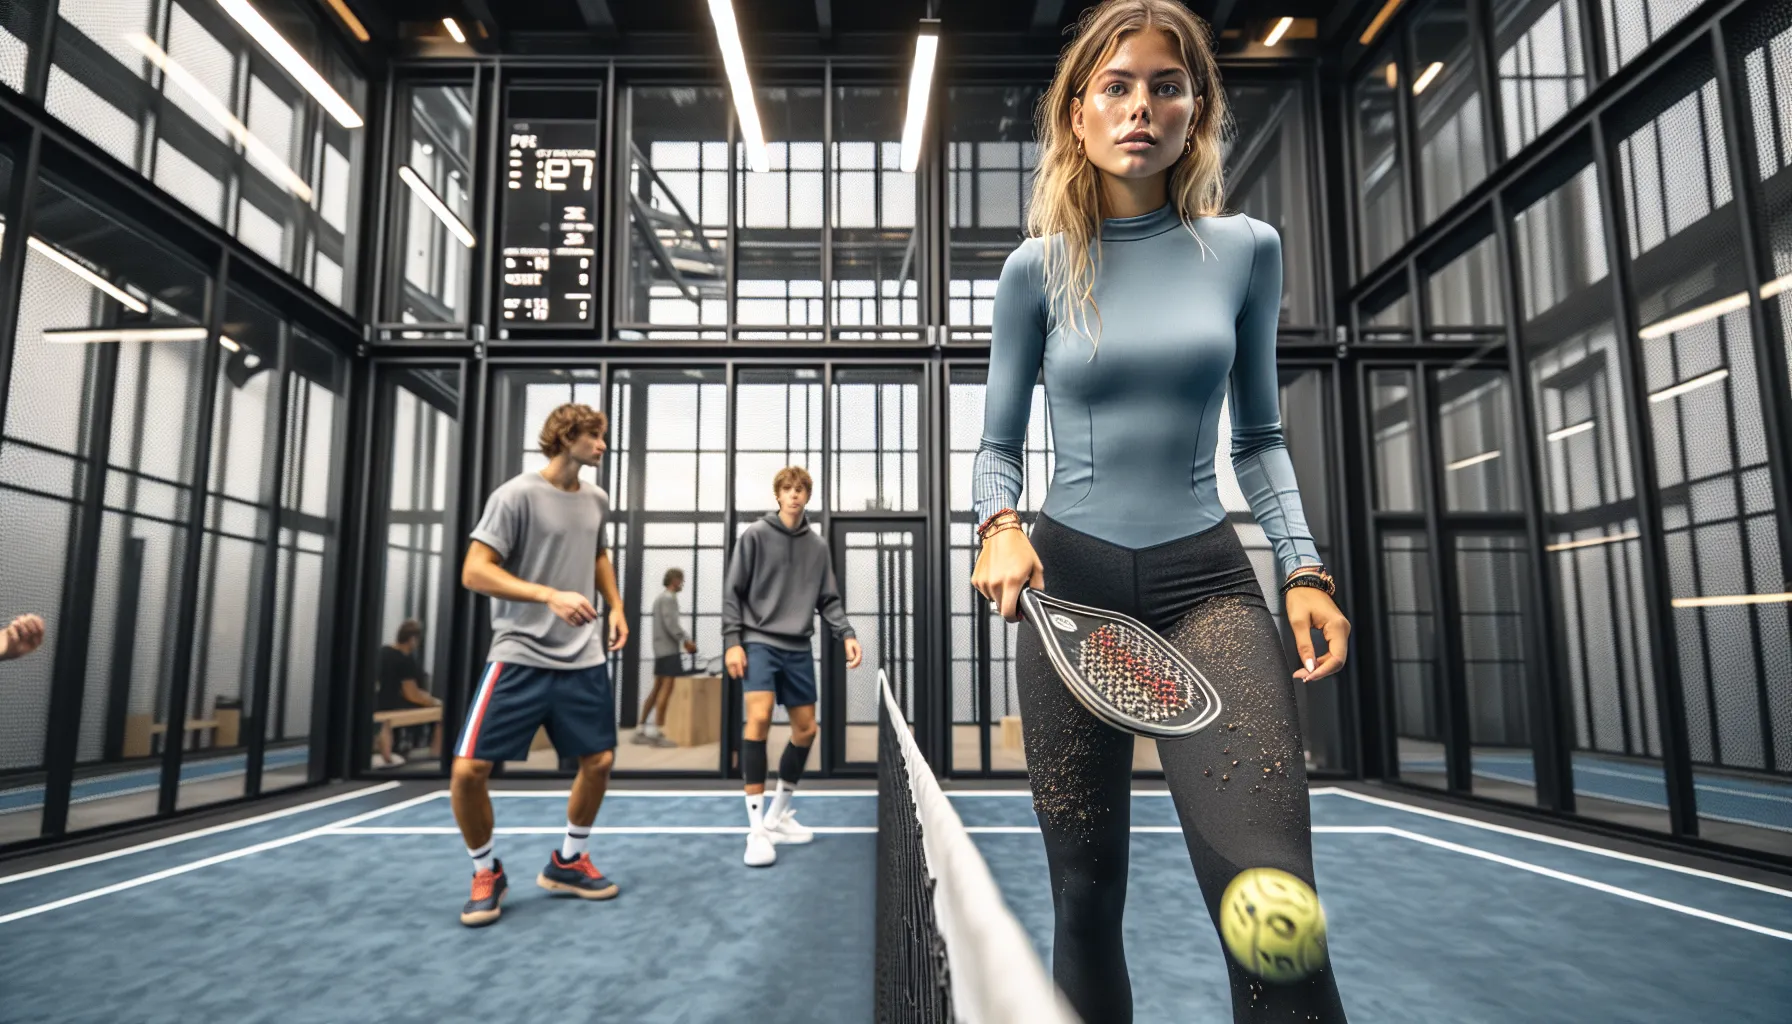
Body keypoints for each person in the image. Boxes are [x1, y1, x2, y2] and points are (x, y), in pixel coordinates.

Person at [969, 3, 1351, 1020]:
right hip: (1073, 597)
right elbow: (998, 449)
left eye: (1166, 85)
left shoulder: (1245, 250)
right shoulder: (1033, 272)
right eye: (1117, 86)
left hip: (1207, 592)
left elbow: (1259, 438)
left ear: (1195, 109)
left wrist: (1304, 568)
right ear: (1078, 113)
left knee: (1271, 900)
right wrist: (999, 525)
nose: (1142, 106)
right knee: (1084, 898)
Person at [452, 403, 629, 927]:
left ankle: (569, 862)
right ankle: (486, 871)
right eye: (593, 436)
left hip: (583, 656)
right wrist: (547, 594)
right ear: (565, 437)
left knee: (597, 763)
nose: (601, 445)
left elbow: (597, 552)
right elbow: (475, 571)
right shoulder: (514, 496)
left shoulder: (596, 497)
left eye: (602, 437)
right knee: (468, 772)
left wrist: (615, 605)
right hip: (520, 654)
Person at [722, 466, 863, 867]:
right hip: (759, 642)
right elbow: (733, 592)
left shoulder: (817, 547)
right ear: (778, 495)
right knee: (760, 718)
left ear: (807, 496)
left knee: (806, 730)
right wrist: (733, 642)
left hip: (798, 647)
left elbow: (828, 600)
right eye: (788, 489)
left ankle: (778, 813)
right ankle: (756, 830)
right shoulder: (754, 536)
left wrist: (846, 633)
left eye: (801, 489)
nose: (794, 495)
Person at [636, 568, 698, 747]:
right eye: (682, 580)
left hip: (660, 649)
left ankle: (641, 727)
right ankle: (658, 731)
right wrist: (686, 640)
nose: (683, 584)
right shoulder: (669, 599)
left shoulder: (660, 599)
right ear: (675, 580)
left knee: (657, 688)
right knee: (666, 689)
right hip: (669, 650)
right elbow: (671, 624)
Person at [374, 618, 442, 768]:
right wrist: (434, 702)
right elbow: (411, 694)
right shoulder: (404, 659)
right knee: (441, 712)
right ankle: (436, 754)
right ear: (412, 639)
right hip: (396, 704)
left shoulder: (383, 652)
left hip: (378, 701)